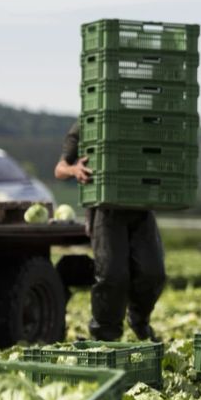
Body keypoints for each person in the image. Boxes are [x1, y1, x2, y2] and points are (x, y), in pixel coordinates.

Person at [54, 123, 165, 342]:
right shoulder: (85, 126)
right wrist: (74, 169)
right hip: (106, 211)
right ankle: (105, 335)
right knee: (112, 274)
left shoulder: (142, 124)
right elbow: (59, 169)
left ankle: (139, 319)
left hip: (140, 209)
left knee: (153, 272)